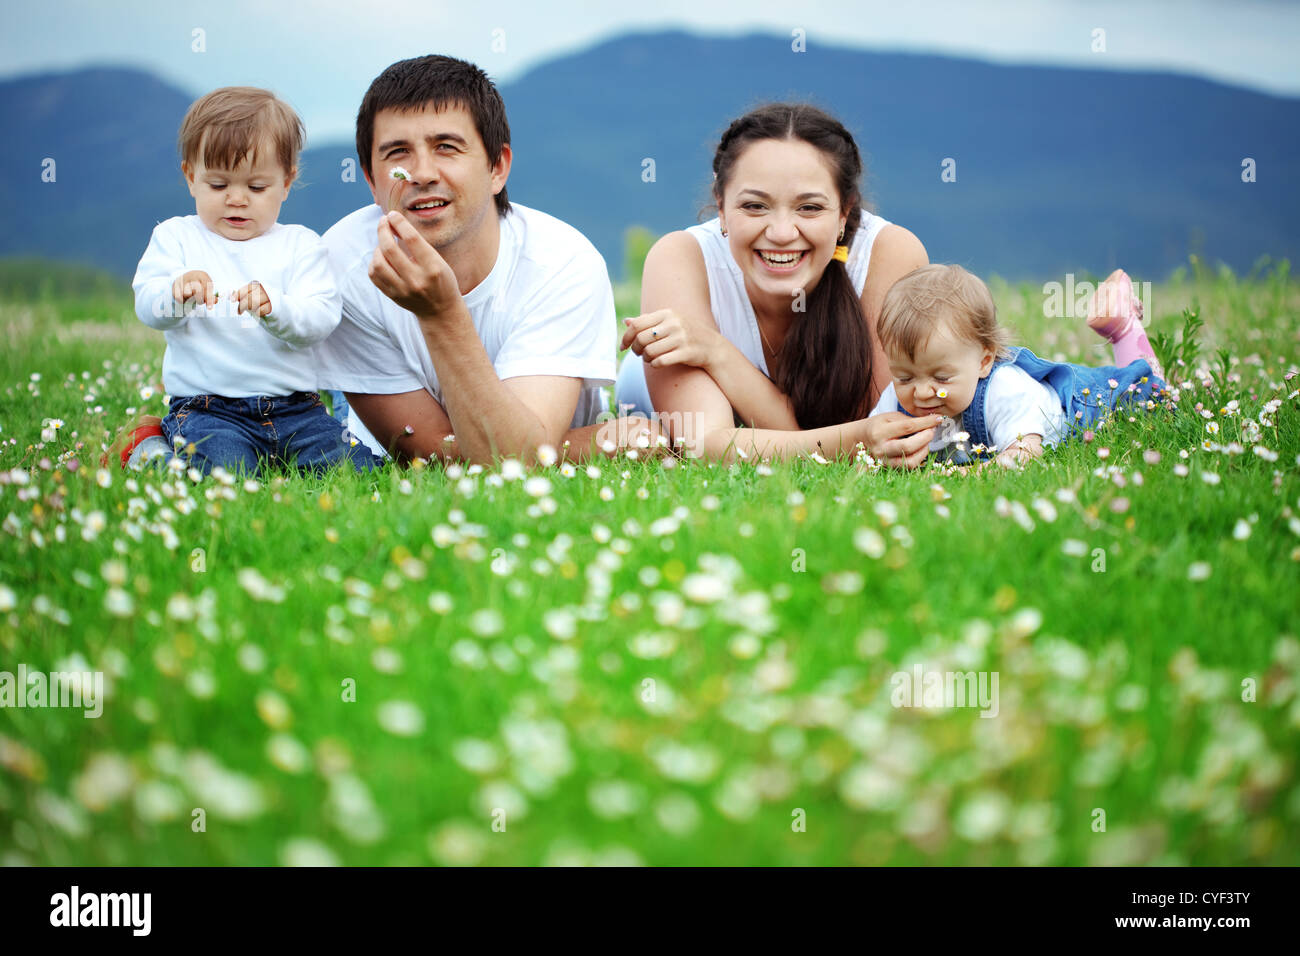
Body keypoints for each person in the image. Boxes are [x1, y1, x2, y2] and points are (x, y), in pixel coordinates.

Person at [315, 54, 658, 466]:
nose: (422, 173)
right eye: (398, 153)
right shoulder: (344, 263)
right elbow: (437, 453)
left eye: (446, 147)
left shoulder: (564, 262)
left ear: (497, 167)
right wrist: (586, 442)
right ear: (370, 180)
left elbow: (509, 462)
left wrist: (538, 447)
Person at [616, 102, 942, 467]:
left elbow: (887, 427)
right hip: (650, 409)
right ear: (721, 207)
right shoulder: (681, 258)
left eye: (809, 208)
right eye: (755, 206)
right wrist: (858, 440)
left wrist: (716, 352)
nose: (782, 233)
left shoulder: (888, 253)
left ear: (845, 212)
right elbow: (706, 446)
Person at [121, 86, 379, 475]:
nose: (237, 199)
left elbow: (321, 317)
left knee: (355, 470)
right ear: (191, 177)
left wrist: (276, 306)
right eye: (218, 185)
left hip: (298, 410)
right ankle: (148, 451)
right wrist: (176, 294)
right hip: (208, 409)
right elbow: (148, 306)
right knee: (226, 473)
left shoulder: (300, 245)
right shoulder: (177, 238)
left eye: (257, 187)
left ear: (286, 182)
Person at [869, 264, 1168, 467]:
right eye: (905, 377)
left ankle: (1125, 326)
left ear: (984, 362)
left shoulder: (1004, 390)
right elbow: (870, 444)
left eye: (942, 378)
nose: (921, 393)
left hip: (1090, 404)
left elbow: (1025, 454)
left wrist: (967, 475)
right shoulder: (897, 401)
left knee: (1149, 387)